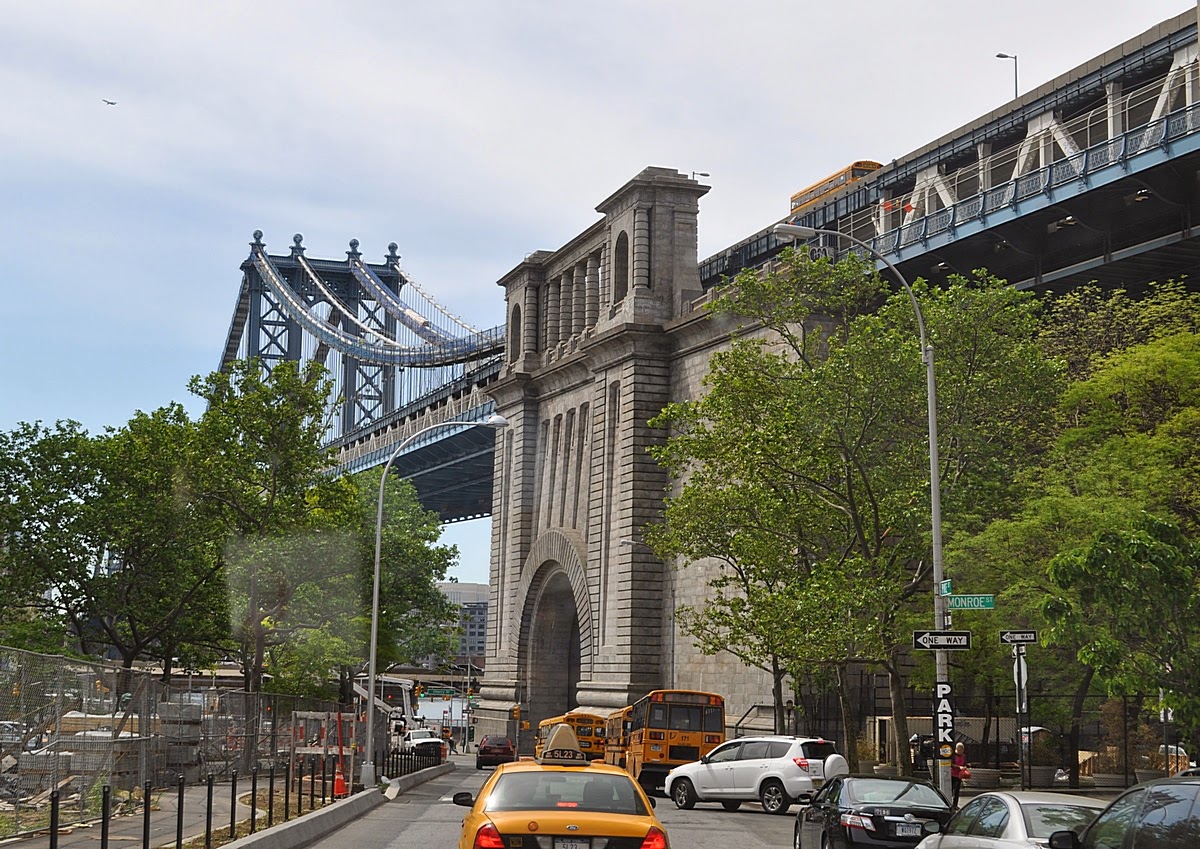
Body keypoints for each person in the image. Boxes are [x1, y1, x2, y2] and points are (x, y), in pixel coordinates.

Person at [950, 742, 968, 808]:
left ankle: (955, 804)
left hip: (959, 775)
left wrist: (964, 767)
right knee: (951, 789)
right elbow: (951, 764)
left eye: (961, 750)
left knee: (957, 791)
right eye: (959, 750)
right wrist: (958, 767)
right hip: (952, 774)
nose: (960, 751)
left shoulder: (963, 756)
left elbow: (965, 764)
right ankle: (949, 803)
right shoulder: (954, 756)